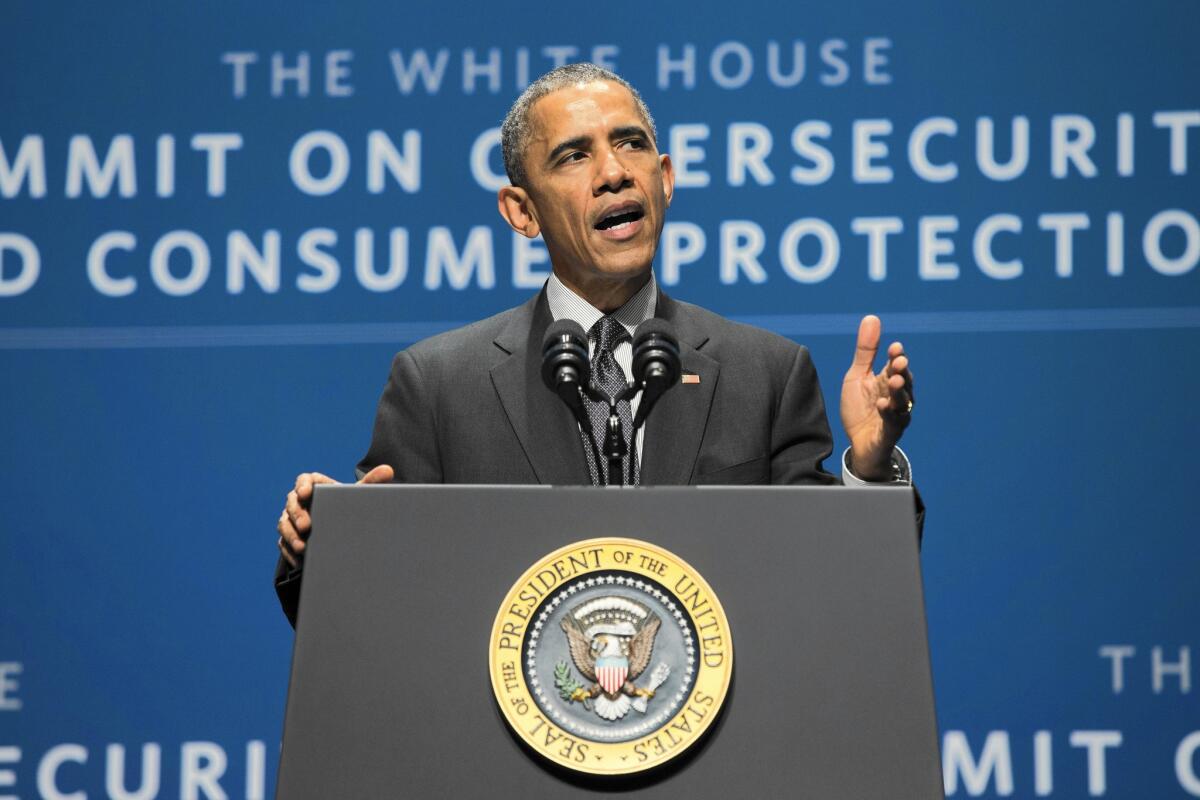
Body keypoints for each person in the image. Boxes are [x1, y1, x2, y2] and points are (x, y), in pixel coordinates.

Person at [274, 63, 918, 626]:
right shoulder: (439, 386)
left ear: (664, 178)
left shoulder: (767, 373)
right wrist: (323, 547)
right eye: (574, 156)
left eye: (631, 145)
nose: (613, 172)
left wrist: (869, 472)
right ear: (521, 212)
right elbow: (369, 614)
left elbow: (838, 594)